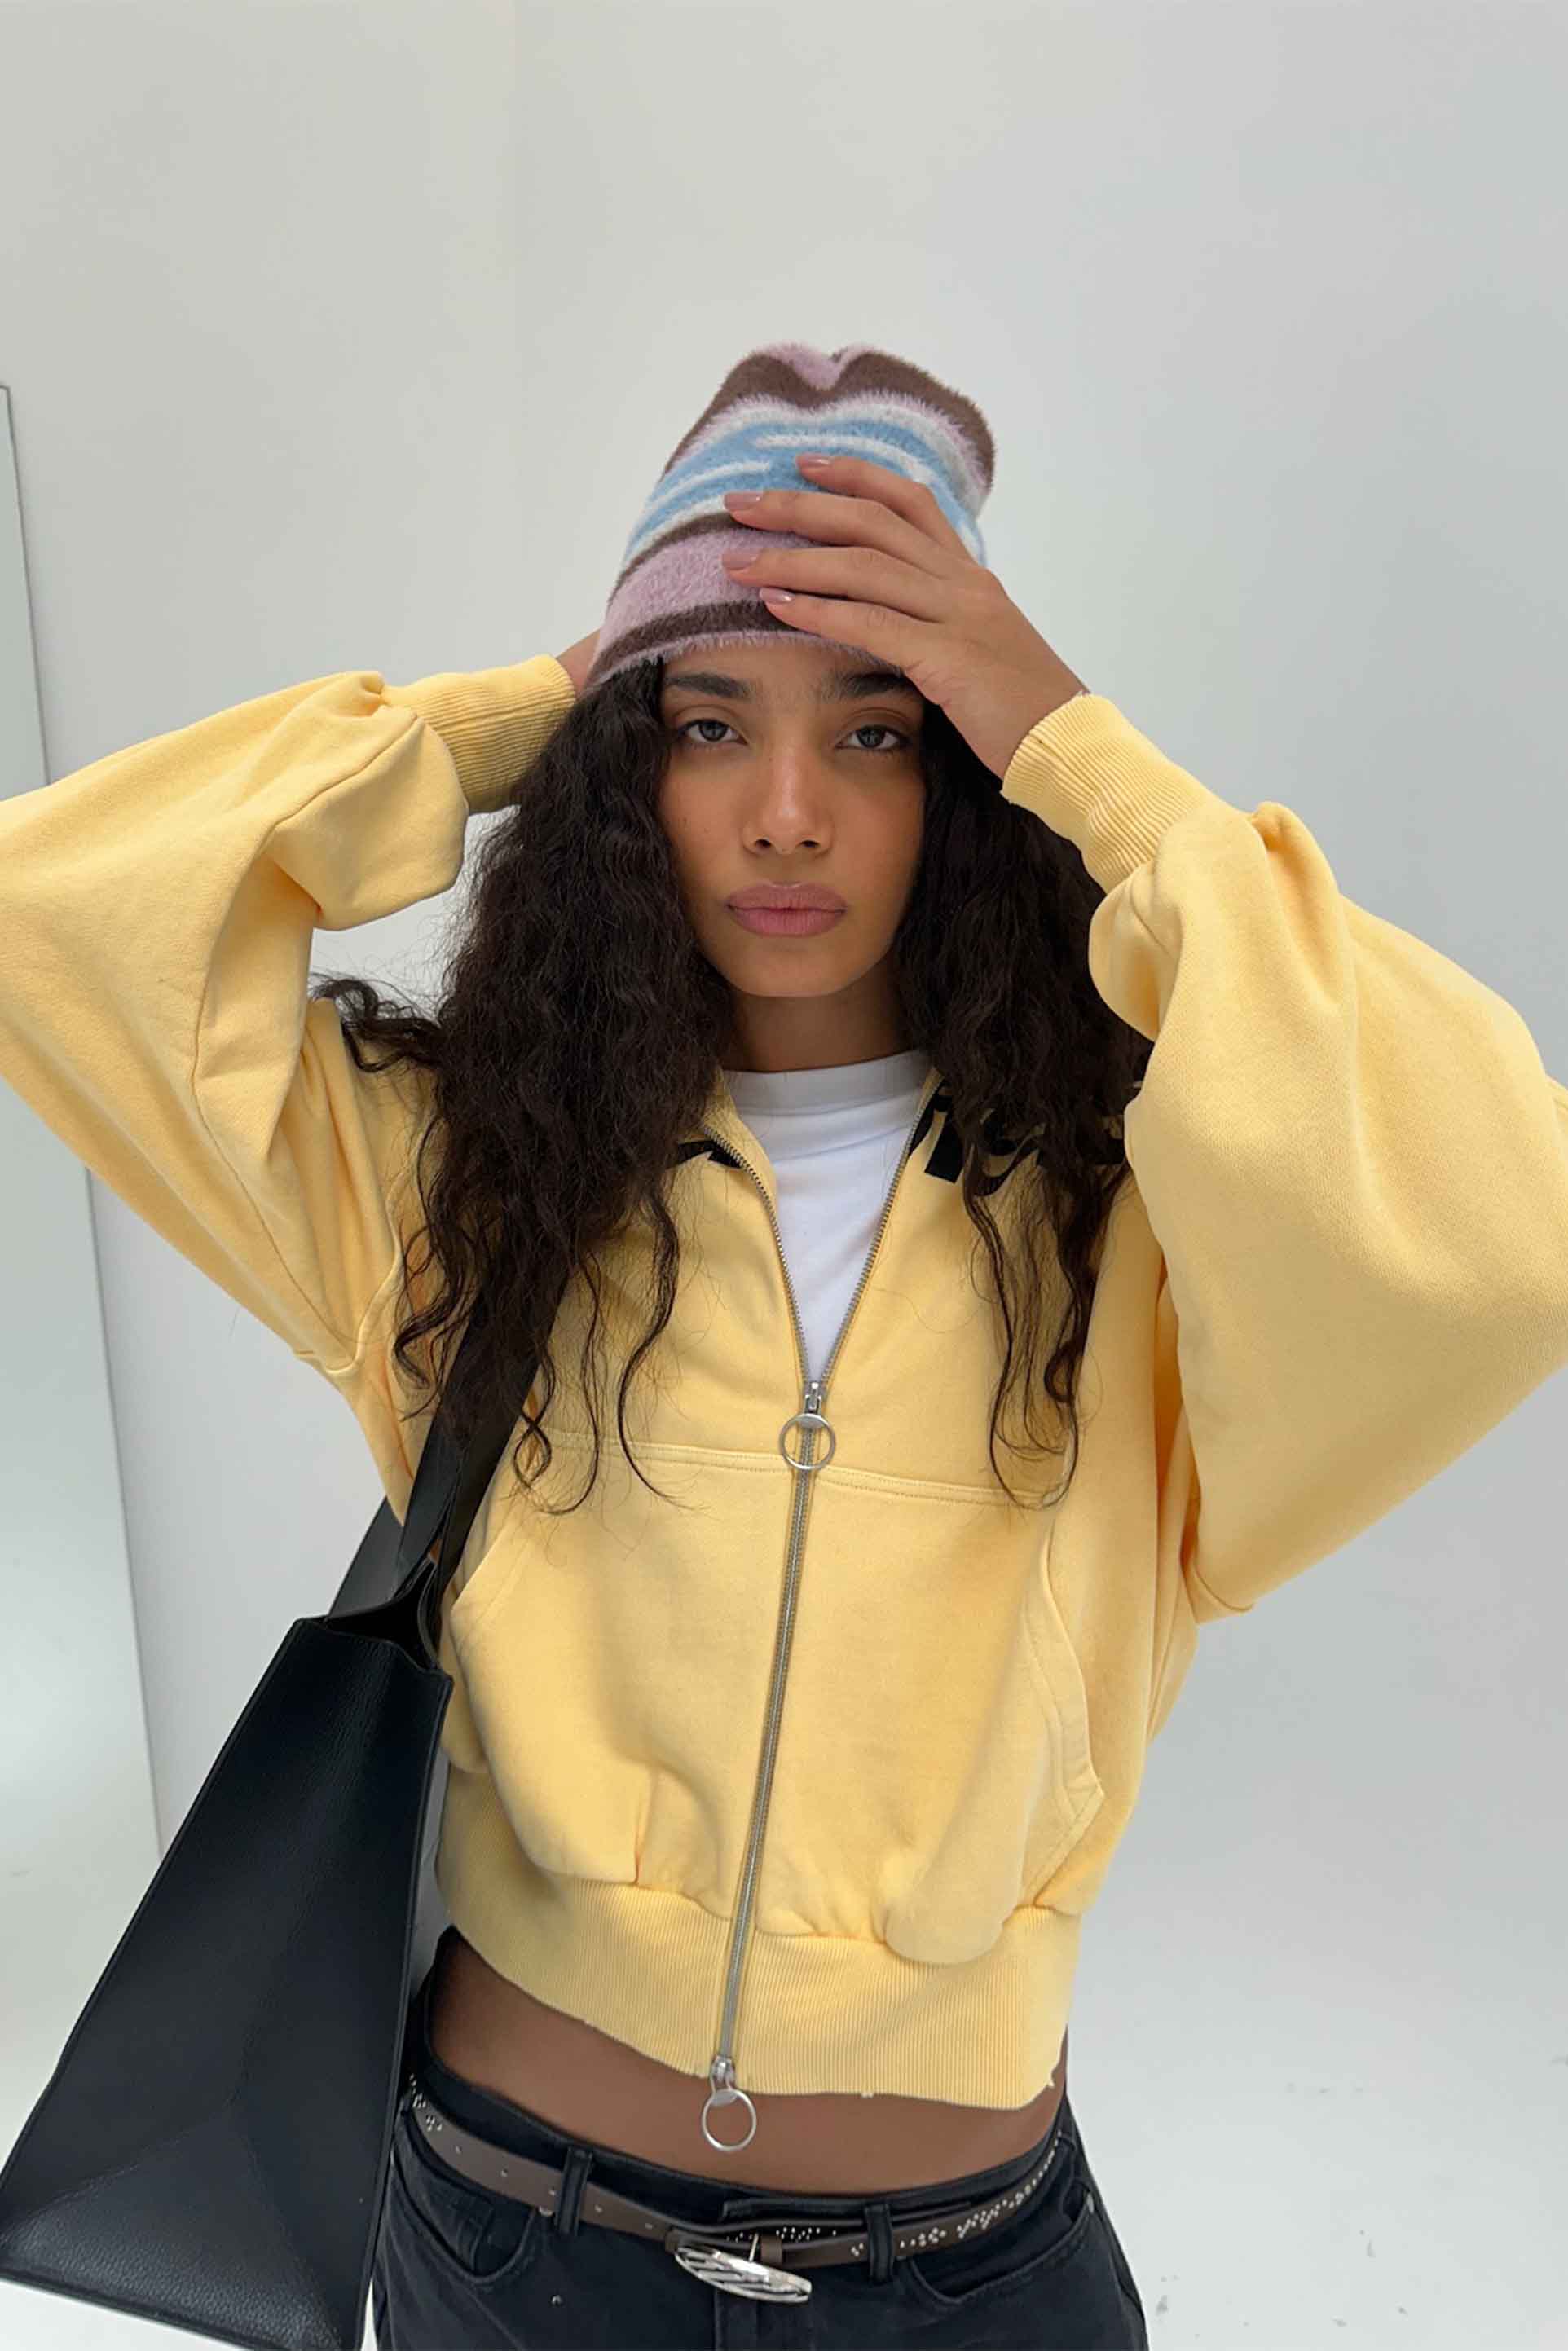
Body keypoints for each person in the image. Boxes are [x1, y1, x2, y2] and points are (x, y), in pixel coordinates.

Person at [3, 345, 1565, 2350]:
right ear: (624, 781)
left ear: (964, 780)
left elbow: (1506, 1229)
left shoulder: (1140, 1228)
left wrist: (1077, 747)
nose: (787, 813)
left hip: (968, 2273)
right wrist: (532, 708)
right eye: (706, 728)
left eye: (877, 730)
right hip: (513, 2243)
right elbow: (57, 919)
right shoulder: (463, 1178)